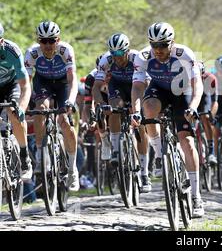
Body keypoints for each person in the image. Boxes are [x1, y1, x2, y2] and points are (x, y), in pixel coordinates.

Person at [131, 22, 205, 217]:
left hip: (183, 92)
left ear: (172, 43)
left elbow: (197, 85)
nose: (158, 50)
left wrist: (193, 108)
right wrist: (135, 111)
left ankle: (197, 197)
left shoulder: (184, 54)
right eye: (154, 45)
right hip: (159, 89)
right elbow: (138, 87)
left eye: (163, 45)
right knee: (148, 110)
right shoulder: (143, 57)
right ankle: (159, 152)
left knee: (187, 141)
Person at [92, 33, 151, 193]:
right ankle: (116, 148)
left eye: (119, 53)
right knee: (114, 109)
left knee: (139, 124)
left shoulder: (136, 58)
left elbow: (146, 83)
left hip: (136, 85)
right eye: (113, 53)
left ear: (127, 50)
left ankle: (144, 173)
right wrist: (102, 105)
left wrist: (138, 108)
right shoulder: (107, 60)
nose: (116, 57)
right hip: (117, 85)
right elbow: (97, 87)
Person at [24, 21, 79, 190]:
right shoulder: (32, 53)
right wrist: (24, 103)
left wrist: (70, 99)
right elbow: (26, 81)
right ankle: (41, 156)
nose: (47, 45)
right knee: (40, 110)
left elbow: (72, 79)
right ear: (38, 41)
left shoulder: (65, 50)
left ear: (58, 40)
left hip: (63, 84)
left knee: (64, 121)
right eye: (43, 41)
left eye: (51, 40)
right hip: (43, 83)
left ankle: (72, 168)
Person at [0, 23, 33, 180]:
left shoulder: (12, 51)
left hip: (13, 84)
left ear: (1, 41)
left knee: (14, 113)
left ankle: (24, 155)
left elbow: (25, 86)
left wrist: (21, 107)